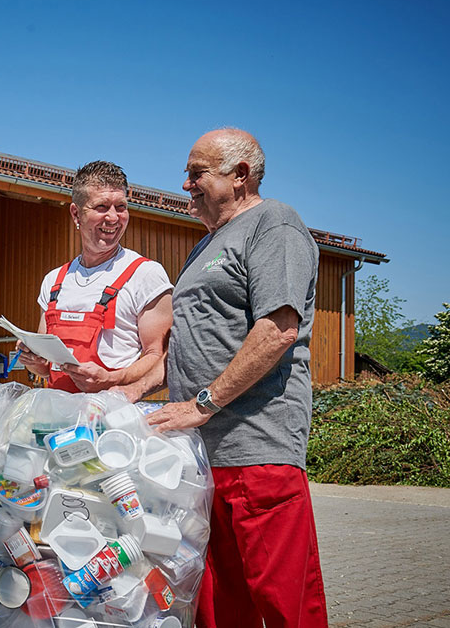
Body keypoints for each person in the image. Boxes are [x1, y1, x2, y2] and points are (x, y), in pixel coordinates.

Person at [148, 129, 328, 627]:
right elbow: (187, 346)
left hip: (257, 450)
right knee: (219, 605)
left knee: (283, 600)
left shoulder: (275, 225)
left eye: (196, 173)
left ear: (240, 175)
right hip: (203, 461)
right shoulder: (205, 245)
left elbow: (277, 330)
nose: (185, 184)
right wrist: (119, 386)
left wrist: (202, 404)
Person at [18, 160, 173, 403]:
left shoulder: (145, 274)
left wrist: (111, 379)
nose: (113, 218)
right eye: (102, 207)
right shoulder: (54, 281)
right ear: (76, 213)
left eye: (121, 207)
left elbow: (159, 356)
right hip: (57, 418)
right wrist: (34, 361)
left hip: (112, 419)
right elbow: (46, 368)